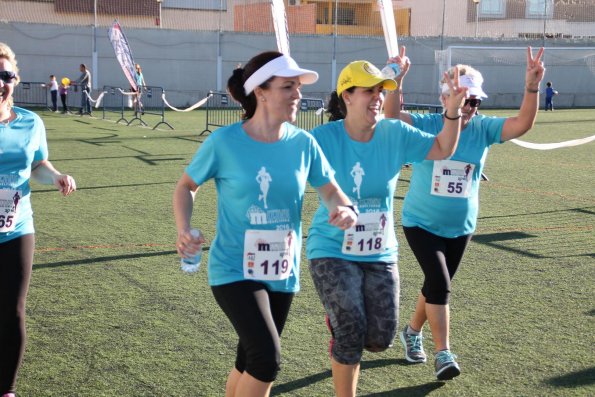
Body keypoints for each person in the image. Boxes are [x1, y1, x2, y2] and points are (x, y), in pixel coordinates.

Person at [172, 51, 358, 397]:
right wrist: (184, 227)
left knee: (247, 360)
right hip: (233, 269)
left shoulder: (304, 143)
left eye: (298, 87)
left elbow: (332, 191)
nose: (298, 94)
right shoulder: (225, 142)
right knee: (266, 359)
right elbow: (186, 186)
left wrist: (345, 209)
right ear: (261, 91)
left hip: (281, 272)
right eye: (288, 86)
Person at [306, 57, 466, 397]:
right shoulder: (322, 138)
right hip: (331, 249)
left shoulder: (395, 132)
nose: (378, 97)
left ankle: (342, 321)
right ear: (347, 96)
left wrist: (452, 112)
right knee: (350, 331)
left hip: (380, 250)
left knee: (380, 338)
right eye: (369, 91)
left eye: (381, 91)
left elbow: (441, 148)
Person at [384, 46, 545, 381]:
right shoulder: (427, 124)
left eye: (475, 101)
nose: (471, 106)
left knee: (434, 285)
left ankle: (412, 332)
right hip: (421, 223)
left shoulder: (483, 129)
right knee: (440, 284)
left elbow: (522, 124)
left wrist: (531, 87)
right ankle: (444, 354)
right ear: (445, 98)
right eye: (464, 99)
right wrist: (396, 82)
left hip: (461, 227)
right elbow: (390, 119)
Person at [0, 42, 77, 397]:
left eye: (6, 75)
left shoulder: (31, 122)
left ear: (15, 79)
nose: (1, 82)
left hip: (15, 227)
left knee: (12, 311)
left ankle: (6, 389)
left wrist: (57, 175)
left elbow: (37, 166)